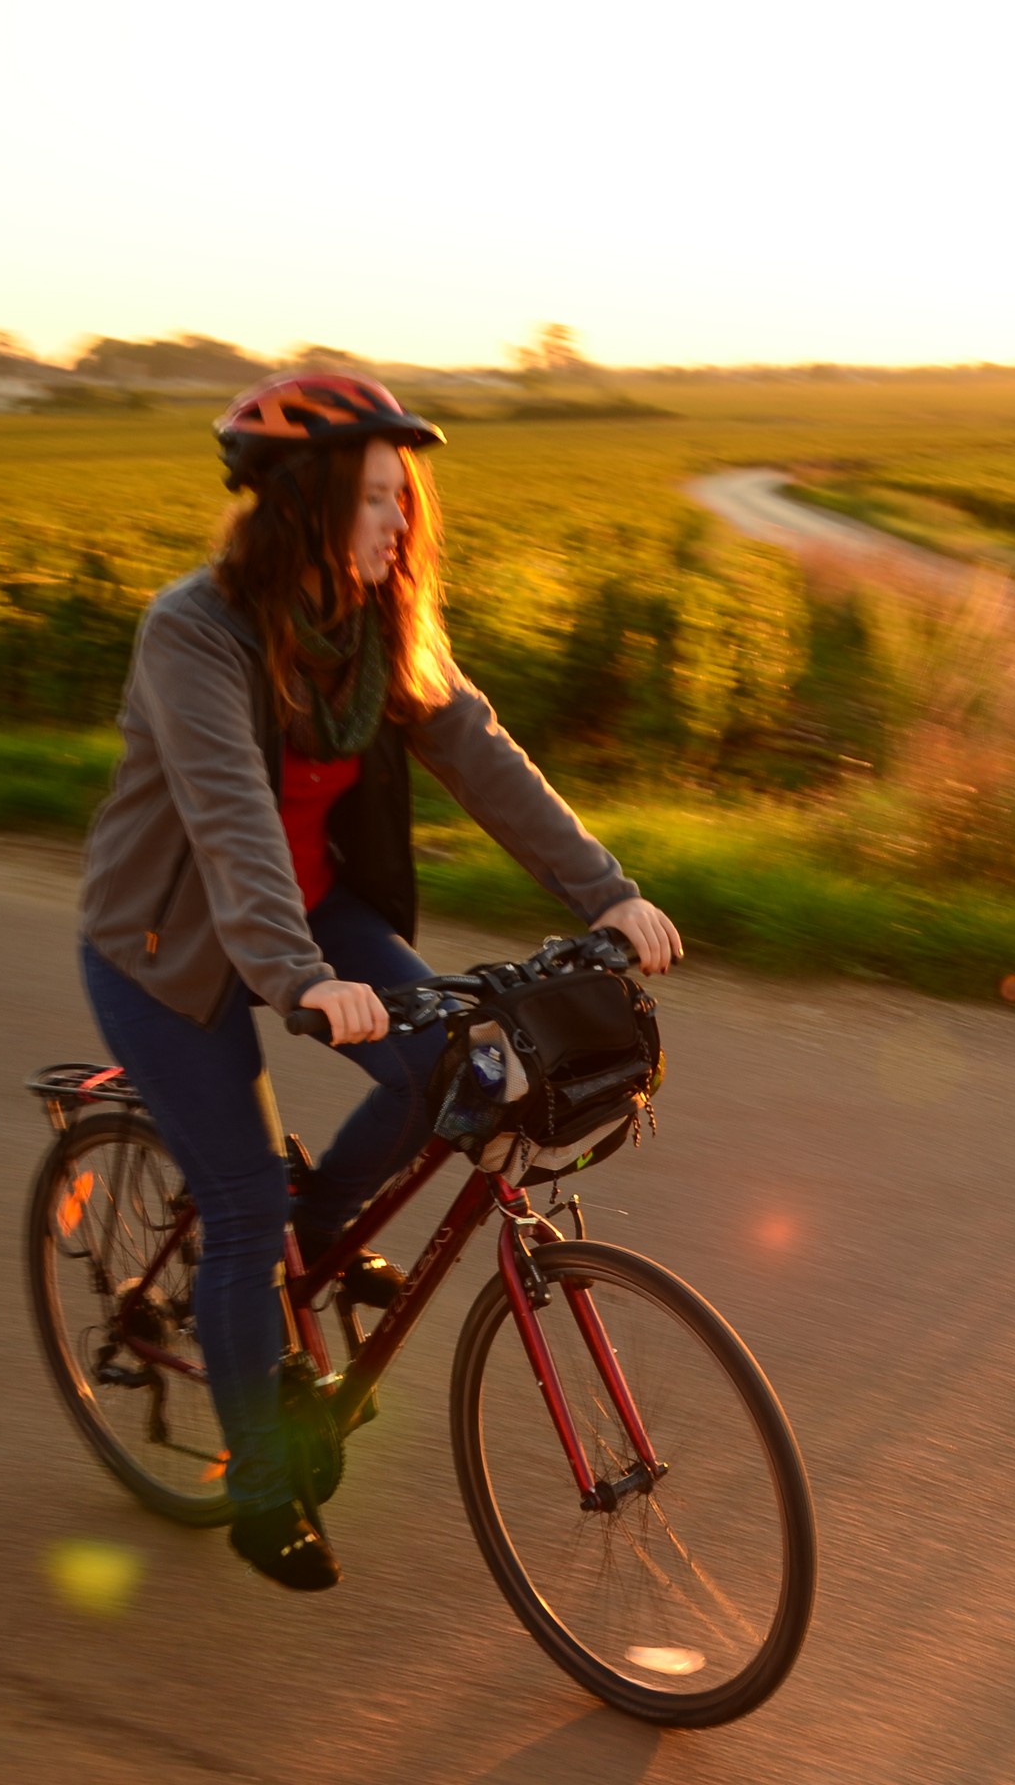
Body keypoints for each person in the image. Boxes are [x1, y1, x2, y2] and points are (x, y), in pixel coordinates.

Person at [76, 372, 683, 1592]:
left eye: (404, 499)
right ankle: (261, 1488)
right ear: (299, 505)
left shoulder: (375, 631)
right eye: (371, 499)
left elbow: (482, 754)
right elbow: (234, 818)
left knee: (453, 1067)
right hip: (172, 942)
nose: (398, 523)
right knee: (239, 1204)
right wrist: (300, 980)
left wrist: (605, 892)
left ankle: (317, 1232)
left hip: (309, 912)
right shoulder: (194, 632)